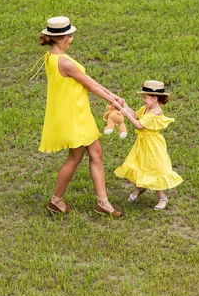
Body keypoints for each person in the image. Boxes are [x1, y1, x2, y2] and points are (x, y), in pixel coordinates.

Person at [34, 16, 124, 218]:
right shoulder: (64, 62)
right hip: (75, 116)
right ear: (59, 38)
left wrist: (112, 95)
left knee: (96, 153)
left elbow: (87, 80)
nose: (72, 38)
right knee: (77, 157)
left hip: (77, 113)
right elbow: (89, 86)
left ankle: (102, 203)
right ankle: (57, 200)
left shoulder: (51, 57)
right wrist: (115, 102)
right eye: (69, 35)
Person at [114, 80, 182, 210]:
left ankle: (162, 197)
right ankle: (140, 186)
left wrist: (126, 113)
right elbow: (135, 114)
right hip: (142, 143)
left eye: (145, 97)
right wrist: (125, 105)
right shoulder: (147, 108)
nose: (143, 100)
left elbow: (139, 125)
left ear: (155, 98)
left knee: (154, 168)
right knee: (137, 164)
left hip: (152, 145)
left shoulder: (155, 112)